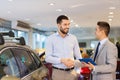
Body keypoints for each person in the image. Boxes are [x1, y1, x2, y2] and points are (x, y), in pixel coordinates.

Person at [45, 15, 82, 80]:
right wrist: (61, 60)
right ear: (59, 25)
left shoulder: (73, 38)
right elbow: (48, 58)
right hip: (58, 73)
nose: (67, 27)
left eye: (68, 24)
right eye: (65, 24)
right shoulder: (50, 39)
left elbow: (79, 57)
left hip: (72, 73)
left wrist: (78, 71)